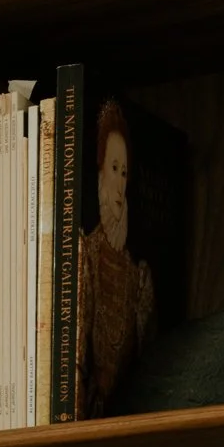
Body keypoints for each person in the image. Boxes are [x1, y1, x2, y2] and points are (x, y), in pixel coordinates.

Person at [77, 98, 157, 417]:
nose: (120, 183)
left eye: (124, 173)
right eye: (114, 169)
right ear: (100, 173)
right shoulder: (84, 255)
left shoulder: (138, 278)